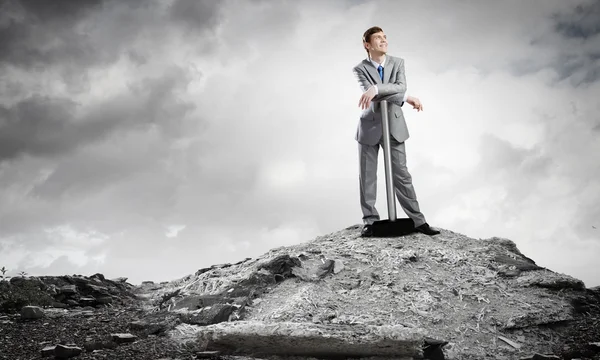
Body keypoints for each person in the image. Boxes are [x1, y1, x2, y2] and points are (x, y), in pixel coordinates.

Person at [352, 26, 440, 237]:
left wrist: (378, 89)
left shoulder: (398, 62)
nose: (384, 41)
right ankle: (370, 222)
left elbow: (401, 86)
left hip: (394, 126)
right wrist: (403, 97)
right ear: (367, 45)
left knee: (402, 176)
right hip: (369, 128)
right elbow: (377, 95)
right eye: (378, 38)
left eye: (385, 37)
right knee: (368, 177)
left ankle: (418, 221)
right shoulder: (359, 69)